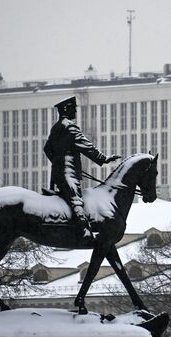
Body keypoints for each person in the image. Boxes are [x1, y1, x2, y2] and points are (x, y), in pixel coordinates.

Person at [44, 96, 120, 240]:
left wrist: (57, 162)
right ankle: (83, 231)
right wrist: (103, 159)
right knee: (76, 198)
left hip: (60, 171)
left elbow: (47, 149)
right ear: (66, 109)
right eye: (74, 108)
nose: (76, 111)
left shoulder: (56, 127)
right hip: (68, 171)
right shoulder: (69, 127)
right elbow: (86, 145)